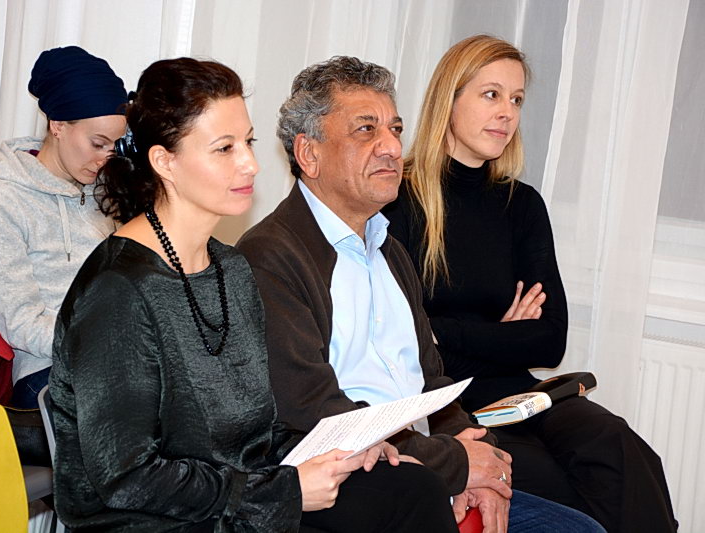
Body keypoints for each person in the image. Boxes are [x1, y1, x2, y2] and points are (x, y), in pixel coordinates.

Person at [49, 57, 460, 533]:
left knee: (410, 487)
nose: (251, 164)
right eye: (224, 148)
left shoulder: (230, 268)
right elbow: (126, 478)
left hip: (243, 500)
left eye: (248, 142)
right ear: (165, 162)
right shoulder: (117, 290)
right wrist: (284, 491)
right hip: (156, 522)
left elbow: (257, 433)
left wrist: (349, 445)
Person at [237, 55, 605, 533]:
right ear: (309, 154)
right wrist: (457, 463)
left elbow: (433, 382)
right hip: (367, 485)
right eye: (366, 130)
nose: (392, 147)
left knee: (582, 526)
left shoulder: (388, 249)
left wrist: (480, 460)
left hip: (429, 467)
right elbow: (317, 413)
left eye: (395, 129)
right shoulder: (270, 256)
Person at [383, 35, 678, 533]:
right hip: (450, 407)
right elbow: (408, 343)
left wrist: (445, 331)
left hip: (524, 394)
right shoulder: (400, 200)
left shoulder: (521, 205)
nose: (507, 113)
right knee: (561, 487)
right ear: (449, 99)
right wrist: (502, 336)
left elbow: (549, 340)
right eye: (491, 94)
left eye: (516, 99)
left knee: (620, 449)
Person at [0, 46, 127, 408]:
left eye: (115, 145)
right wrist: (103, 342)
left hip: (116, 357)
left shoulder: (105, 191)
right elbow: (21, 323)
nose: (105, 157)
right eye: (98, 143)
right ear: (58, 125)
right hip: (47, 371)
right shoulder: (1, 199)